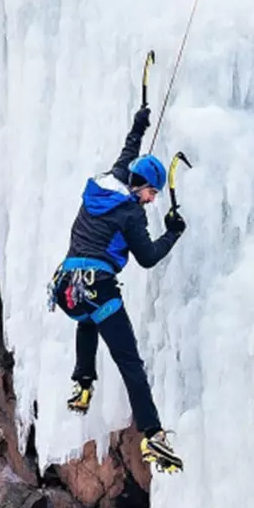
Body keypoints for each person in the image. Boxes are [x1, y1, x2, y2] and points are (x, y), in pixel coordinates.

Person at [48, 103, 186, 473]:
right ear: (140, 186)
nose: (153, 199)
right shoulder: (130, 213)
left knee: (87, 317)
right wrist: (173, 233)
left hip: (66, 289)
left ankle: (83, 382)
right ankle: (154, 434)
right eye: (152, 193)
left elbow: (128, 151)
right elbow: (147, 257)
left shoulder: (108, 180)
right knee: (129, 361)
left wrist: (140, 124)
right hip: (98, 287)